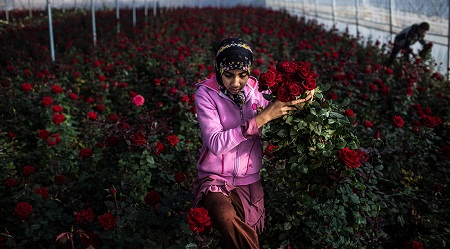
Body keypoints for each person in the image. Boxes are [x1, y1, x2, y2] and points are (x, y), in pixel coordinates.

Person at [191, 37, 314, 249]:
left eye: (242, 75)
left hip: (249, 181)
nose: (236, 83)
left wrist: (305, 93)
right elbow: (215, 143)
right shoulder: (206, 94)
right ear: (219, 69)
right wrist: (261, 119)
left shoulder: (257, 90)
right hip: (215, 178)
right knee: (225, 217)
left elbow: (285, 107)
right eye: (228, 75)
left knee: (246, 237)